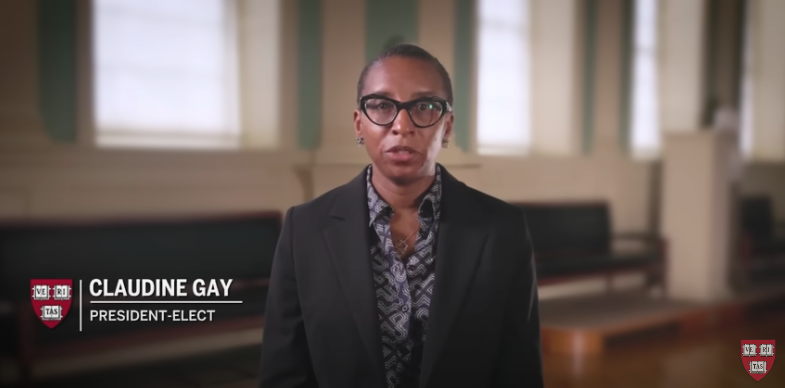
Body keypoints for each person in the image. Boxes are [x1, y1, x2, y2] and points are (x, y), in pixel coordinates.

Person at [259, 44, 543, 388]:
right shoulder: (303, 230)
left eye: (424, 107)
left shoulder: (503, 229)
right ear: (359, 123)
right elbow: (284, 372)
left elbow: (519, 369)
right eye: (381, 105)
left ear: (448, 126)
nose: (401, 125)